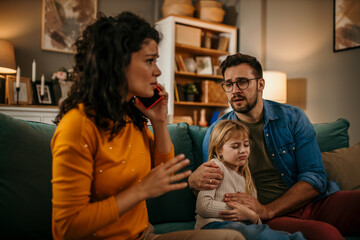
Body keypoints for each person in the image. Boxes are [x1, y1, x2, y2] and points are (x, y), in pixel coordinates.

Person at [51, 12, 245, 240]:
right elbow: (66, 228)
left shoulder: (129, 117)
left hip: (144, 236)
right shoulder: (78, 125)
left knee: (231, 238)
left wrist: (159, 121)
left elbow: (165, 172)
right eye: (149, 60)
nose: (158, 71)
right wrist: (141, 191)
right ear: (116, 64)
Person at [188, 53, 360, 240]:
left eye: (242, 82)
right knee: (327, 235)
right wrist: (193, 182)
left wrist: (268, 210)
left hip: (314, 202)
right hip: (272, 217)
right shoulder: (217, 133)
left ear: (260, 84)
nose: (234, 90)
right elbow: (213, 189)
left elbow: (315, 176)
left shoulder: (293, 117)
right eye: (228, 84)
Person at [195, 119, 305, 240]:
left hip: (242, 226)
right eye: (235, 146)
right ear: (219, 150)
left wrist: (251, 216)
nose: (243, 150)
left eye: (246, 145)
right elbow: (203, 206)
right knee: (251, 233)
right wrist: (238, 211)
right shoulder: (215, 168)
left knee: (263, 232)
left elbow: (254, 217)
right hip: (213, 225)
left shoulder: (247, 178)